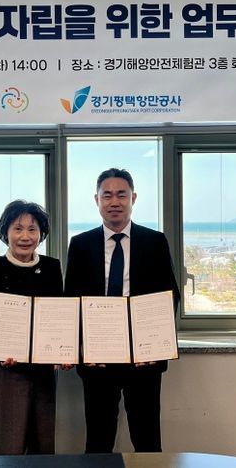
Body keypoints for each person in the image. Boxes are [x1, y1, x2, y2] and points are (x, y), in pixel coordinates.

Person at [65, 168, 180, 453]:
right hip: (97, 360)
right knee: (98, 441)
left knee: (147, 439)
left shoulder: (155, 241)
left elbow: (169, 296)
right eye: (107, 195)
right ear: (97, 200)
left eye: (121, 195)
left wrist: (154, 346)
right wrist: (82, 348)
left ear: (133, 198)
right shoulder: (80, 244)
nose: (114, 202)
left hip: (144, 359)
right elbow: (71, 301)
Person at [0, 200, 63, 455]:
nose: (25, 236)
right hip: (8, 370)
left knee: (43, 447)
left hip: (44, 370)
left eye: (32, 229)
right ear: (5, 232)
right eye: (18, 228)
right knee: (7, 446)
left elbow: (60, 315)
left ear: (41, 233)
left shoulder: (52, 268)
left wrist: (62, 350)